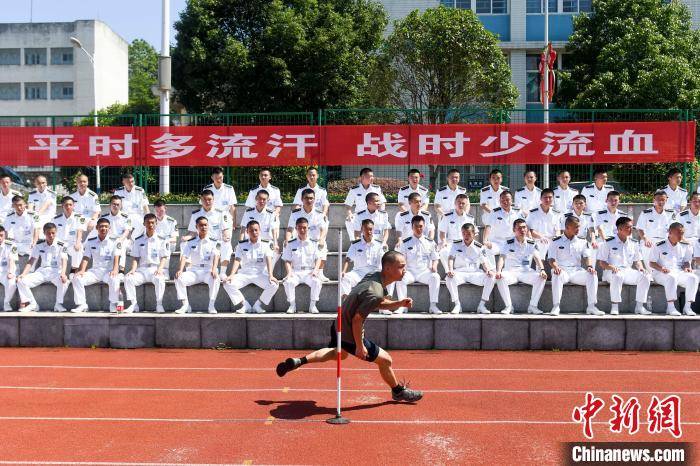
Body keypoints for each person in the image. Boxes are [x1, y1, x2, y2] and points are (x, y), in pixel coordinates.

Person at [275, 250, 423, 403]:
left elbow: (374, 303)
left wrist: (398, 303)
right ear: (388, 269)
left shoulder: (373, 277)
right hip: (350, 332)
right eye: (401, 266)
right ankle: (398, 391)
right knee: (386, 360)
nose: (404, 270)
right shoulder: (376, 291)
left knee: (338, 353)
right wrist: (359, 346)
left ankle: (299, 361)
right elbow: (357, 320)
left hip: (339, 323)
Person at [547, 216, 602, 316]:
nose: (578, 230)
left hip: (576, 271)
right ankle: (556, 306)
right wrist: (556, 267)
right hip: (561, 270)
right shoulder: (555, 241)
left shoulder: (582, 241)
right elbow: (551, 259)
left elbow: (586, 256)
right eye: (575, 227)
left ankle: (591, 306)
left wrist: (589, 267)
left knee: (592, 275)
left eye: (579, 227)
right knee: (556, 274)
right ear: (567, 227)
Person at [597, 217, 651, 315]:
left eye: (631, 227)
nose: (630, 230)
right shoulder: (608, 242)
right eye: (628, 227)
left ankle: (639, 307)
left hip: (627, 271)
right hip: (611, 271)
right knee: (618, 275)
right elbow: (602, 263)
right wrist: (611, 267)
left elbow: (637, 261)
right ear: (619, 229)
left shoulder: (634, 243)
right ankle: (615, 306)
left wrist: (641, 268)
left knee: (645, 276)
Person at [223, 220, 279, 314]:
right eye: (251, 230)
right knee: (227, 283)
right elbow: (237, 260)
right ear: (247, 232)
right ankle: (245, 305)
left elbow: (269, 259)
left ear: (260, 230)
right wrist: (232, 275)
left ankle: (258, 305)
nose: (254, 233)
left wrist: (270, 275)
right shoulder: (241, 244)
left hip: (259, 274)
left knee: (274, 284)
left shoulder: (266, 244)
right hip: (244, 273)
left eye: (256, 230)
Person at [70, 218, 123, 313]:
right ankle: (82, 304)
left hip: (108, 271)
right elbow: (86, 257)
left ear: (109, 228)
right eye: (101, 226)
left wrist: (115, 270)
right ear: (97, 228)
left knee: (115, 278)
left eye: (106, 226)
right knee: (76, 278)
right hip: (95, 271)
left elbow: (117, 256)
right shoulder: (91, 241)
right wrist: (82, 270)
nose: (103, 228)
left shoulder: (115, 241)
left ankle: (113, 304)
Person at [494, 219, 547, 315]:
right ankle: (508, 306)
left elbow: (537, 257)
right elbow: (502, 257)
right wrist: (498, 271)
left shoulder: (531, 243)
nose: (522, 230)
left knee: (541, 277)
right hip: (511, 272)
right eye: (519, 228)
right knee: (500, 277)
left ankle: (533, 306)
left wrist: (542, 270)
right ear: (514, 230)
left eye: (524, 227)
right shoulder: (508, 242)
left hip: (526, 271)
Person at [123, 214, 170, 314]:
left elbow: (164, 257)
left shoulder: (162, 239)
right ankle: (134, 304)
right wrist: (133, 270)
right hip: (142, 270)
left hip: (155, 269)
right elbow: (135, 258)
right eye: (148, 222)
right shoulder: (138, 240)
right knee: (128, 278)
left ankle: (159, 304)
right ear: (144, 224)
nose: (150, 224)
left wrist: (160, 269)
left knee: (160, 278)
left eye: (153, 222)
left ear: (156, 224)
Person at [16, 223, 68, 312]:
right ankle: (33, 304)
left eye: (53, 233)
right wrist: (23, 274)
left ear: (56, 232)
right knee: (20, 280)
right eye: (48, 233)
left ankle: (58, 305)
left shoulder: (62, 244)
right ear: (44, 233)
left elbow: (64, 260)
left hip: (56, 271)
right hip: (42, 271)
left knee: (65, 282)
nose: (51, 235)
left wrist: (63, 273)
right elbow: (31, 260)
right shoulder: (39, 244)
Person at [174, 216, 221, 315]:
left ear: (208, 226)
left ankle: (211, 305)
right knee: (178, 278)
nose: (203, 227)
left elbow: (216, 255)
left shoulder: (214, 241)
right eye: (201, 225)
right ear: (196, 227)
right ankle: (185, 305)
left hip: (208, 270)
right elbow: (184, 256)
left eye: (205, 225)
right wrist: (180, 270)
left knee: (216, 278)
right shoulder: (191, 242)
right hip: (194, 271)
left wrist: (214, 268)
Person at [395, 216, 441, 315]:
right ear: (412, 227)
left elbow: (435, 258)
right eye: (416, 226)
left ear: (424, 226)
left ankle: (433, 306)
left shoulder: (430, 242)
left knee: (436, 276)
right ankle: (403, 305)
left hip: (424, 272)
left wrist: (434, 266)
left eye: (420, 226)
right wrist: (403, 270)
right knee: (399, 278)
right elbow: (402, 259)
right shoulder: (405, 242)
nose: (418, 229)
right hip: (410, 272)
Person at [649, 222, 697, 316]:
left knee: (693, 278)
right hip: (660, 273)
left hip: (678, 272)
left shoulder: (685, 245)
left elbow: (686, 261)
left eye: (682, 233)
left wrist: (687, 267)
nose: (681, 235)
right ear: (670, 232)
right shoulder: (659, 245)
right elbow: (651, 263)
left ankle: (687, 307)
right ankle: (670, 307)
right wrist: (661, 268)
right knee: (671, 277)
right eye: (678, 233)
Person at [446, 223, 495, 314]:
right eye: (464, 233)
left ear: (473, 234)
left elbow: (484, 262)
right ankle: (457, 305)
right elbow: (450, 258)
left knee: (491, 277)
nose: (466, 236)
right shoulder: (456, 244)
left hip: (474, 272)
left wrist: (488, 270)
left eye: (468, 234)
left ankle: (482, 305)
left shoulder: (479, 247)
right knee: (448, 278)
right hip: (460, 272)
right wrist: (450, 269)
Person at [187, 190, 233, 279]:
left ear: (213, 200)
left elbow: (226, 229)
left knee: (227, 244)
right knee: (184, 244)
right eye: (205, 199)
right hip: (201, 242)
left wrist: (226, 235)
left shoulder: (221, 213)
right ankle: (189, 270)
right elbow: (192, 232)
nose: (207, 202)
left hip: (216, 242)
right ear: (201, 200)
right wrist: (186, 238)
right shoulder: (196, 214)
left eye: (209, 199)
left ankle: (223, 272)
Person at [282, 217, 324, 314]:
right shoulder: (291, 244)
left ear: (308, 228)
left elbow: (318, 258)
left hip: (309, 271)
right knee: (288, 282)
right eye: (299, 228)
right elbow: (287, 260)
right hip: (295, 271)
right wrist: (289, 273)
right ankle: (292, 305)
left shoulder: (314, 243)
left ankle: (312, 305)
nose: (302, 230)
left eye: (304, 227)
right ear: (296, 229)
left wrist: (315, 270)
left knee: (317, 282)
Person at [286, 189, 329, 276]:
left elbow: (323, 229)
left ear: (314, 199)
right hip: (299, 241)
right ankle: (291, 272)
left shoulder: (319, 213)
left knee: (323, 244)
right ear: (302, 199)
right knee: (287, 243)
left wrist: (321, 239)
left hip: (314, 241)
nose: (309, 200)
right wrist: (287, 240)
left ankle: (320, 272)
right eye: (306, 198)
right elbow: (290, 229)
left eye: (311, 198)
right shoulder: (295, 214)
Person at [340, 219, 384, 299]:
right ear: (362, 229)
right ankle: (347, 303)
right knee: (344, 277)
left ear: (373, 229)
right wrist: (343, 271)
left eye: (370, 229)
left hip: (374, 273)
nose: (369, 231)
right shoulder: (355, 244)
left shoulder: (379, 244)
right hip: (358, 273)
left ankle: (384, 308)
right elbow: (348, 259)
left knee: (389, 279)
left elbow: (384, 260)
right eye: (366, 229)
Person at [636, 190, 676, 268]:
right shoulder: (646, 213)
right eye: (658, 199)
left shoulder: (670, 213)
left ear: (666, 200)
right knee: (650, 266)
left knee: (664, 266)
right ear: (654, 200)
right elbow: (640, 229)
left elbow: (673, 229)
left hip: (664, 241)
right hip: (649, 241)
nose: (660, 202)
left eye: (663, 200)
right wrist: (645, 239)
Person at [344, 168, 386, 238]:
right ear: (362, 177)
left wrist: (381, 212)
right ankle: (354, 242)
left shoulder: (376, 188)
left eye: (372, 176)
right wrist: (349, 214)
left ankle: (379, 242)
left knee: (382, 220)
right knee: (349, 221)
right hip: (360, 216)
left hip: (373, 214)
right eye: (369, 176)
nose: (372, 178)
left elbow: (382, 202)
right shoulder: (354, 190)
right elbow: (348, 205)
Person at [437, 194, 475, 271]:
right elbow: (442, 232)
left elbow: (475, 233)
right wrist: (443, 242)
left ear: (466, 205)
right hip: (451, 243)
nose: (461, 205)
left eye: (463, 203)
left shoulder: (470, 218)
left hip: (465, 243)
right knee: (443, 252)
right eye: (459, 202)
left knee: (478, 250)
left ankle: (467, 271)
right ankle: (448, 272)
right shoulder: (447, 216)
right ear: (455, 203)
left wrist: (473, 244)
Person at [481, 190, 523, 256]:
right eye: (502, 200)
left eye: (507, 200)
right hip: (497, 242)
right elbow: (488, 226)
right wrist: (485, 240)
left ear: (511, 201)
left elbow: (523, 227)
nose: (505, 202)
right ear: (499, 201)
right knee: (485, 249)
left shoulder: (518, 212)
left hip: (512, 242)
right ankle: (490, 267)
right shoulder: (494, 212)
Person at [53, 196, 87, 272]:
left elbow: (80, 231)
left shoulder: (80, 217)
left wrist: (78, 243)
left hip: (72, 243)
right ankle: (59, 272)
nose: (68, 207)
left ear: (73, 205)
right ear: (62, 206)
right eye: (66, 205)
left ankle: (74, 270)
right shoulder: (56, 219)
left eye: (70, 205)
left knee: (79, 248)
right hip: (60, 243)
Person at [98, 195, 133, 268]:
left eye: (118, 204)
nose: (115, 206)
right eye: (114, 204)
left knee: (120, 245)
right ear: (110, 205)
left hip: (122, 239)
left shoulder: (126, 217)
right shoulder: (104, 217)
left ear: (121, 206)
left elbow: (127, 231)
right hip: (109, 239)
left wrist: (120, 239)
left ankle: (121, 270)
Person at [114, 172, 149, 238]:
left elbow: (145, 206)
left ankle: (132, 240)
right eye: (128, 182)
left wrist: (148, 217)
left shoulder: (140, 191)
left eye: (132, 181)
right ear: (123, 182)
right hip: (124, 216)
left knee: (142, 224)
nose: (131, 184)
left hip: (137, 216)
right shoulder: (118, 191)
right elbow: (115, 207)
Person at [153, 199, 179, 264]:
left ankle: (164, 270)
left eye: (161, 211)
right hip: (156, 243)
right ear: (154, 210)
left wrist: (164, 241)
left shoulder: (172, 221)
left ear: (165, 208)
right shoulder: (152, 221)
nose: (159, 213)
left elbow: (174, 239)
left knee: (165, 246)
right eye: (157, 211)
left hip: (169, 244)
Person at [0, 227, 18, 311]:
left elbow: (12, 260)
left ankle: (6, 303)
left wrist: (10, 272)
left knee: (12, 282)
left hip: (6, 271)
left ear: (5, 235)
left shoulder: (11, 245)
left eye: (1, 235)